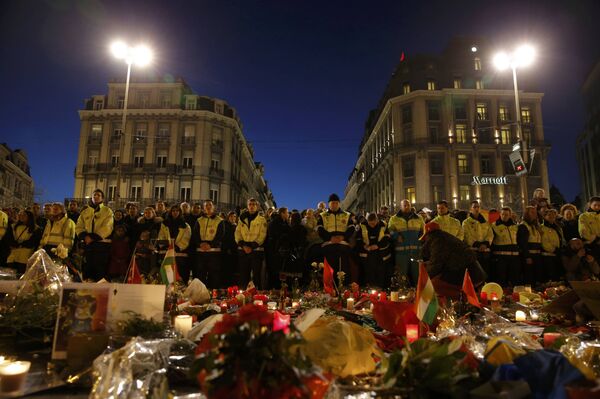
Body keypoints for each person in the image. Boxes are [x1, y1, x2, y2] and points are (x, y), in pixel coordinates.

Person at [420, 221, 486, 299]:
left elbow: (436, 264)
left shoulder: (437, 241)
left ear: (428, 235)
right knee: (439, 280)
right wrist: (429, 264)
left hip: (467, 274)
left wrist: (424, 278)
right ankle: (465, 298)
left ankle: (468, 298)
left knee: (434, 284)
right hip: (476, 273)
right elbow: (444, 259)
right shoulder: (446, 237)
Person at [75, 189, 114, 281]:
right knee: (87, 272)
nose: (96, 197)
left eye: (98, 195)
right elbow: (79, 226)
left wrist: (92, 237)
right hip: (87, 246)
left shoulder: (107, 211)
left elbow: (107, 227)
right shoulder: (85, 211)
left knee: (100, 272)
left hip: (101, 247)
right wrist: (84, 236)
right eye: (94, 195)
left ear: (102, 198)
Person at [317, 193, 356, 282]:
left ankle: (344, 286)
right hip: (329, 244)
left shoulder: (347, 215)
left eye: (336, 203)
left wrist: (343, 237)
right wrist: (330, 238)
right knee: (330, 266)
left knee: (344, 266)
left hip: (343, 244)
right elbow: (319, 229)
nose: (334, 205)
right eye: (332, 203)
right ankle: (330, 286)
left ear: (339, 203)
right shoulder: (322, 215)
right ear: (329, 204)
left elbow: (351, 228)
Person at [387, 199, 424, 286]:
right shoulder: (394, 219)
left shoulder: (419, 218)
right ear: (401, 207)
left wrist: (421, 239)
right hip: (401, 253)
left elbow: (423, 231)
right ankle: (402, 295)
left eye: (408, 205)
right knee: (401, 276)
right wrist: (396, 236)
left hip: (416, 252)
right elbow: (389, 232)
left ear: (411, 206)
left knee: (417, 276)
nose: (407, 207)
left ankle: (418, 295)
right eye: (404, 205)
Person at [235, 198, 268, 288]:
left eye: (254, 204)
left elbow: (262, 235)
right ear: (247, 206)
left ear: (257, 207)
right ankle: (242, 297)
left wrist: (251, 247)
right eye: (250, 204)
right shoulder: (241, 219)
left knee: (256, 276)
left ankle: (257, 297)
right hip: (243, 251)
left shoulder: (262, 220)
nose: (252, 206)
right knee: (243, 276)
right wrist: (243, 245)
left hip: (256, 251)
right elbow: (237, 233)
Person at [192, 200, 224, 287]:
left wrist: (211, 245)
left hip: (214, 251)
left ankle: (213, 294)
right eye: (206, 205)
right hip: (201, 251)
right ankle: (201, 294)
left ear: (213, 207)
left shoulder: (219, 220)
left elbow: (220, 235)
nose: (208, 207)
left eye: (210, 205)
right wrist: (200, 244)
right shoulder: (199, 220)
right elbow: (195, 234)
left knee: (214, 274)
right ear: (203, 208)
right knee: (200, 274)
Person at [357, 213, 391, 288]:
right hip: (367, 255)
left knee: (380, 273)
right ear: (367, 221)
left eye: (374, 223)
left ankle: (381, 290)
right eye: (370, 223)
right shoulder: (362, 226)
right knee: (368, 274)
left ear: (377, 220)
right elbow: (358, 239)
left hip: (381, 254)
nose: (372, 225)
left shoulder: (383, 225)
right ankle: (369, 290)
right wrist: (364, 246)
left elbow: (387, 238)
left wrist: (377, 246)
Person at [158, 205, 192, 282]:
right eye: (173, 211)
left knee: (180, 274)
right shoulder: (164, 224)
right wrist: (166, 246)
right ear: (171, 212)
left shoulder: (185, 225)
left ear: (180, 212)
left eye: (177, 211)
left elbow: (186, 239)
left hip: (180, 254)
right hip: (166, 252)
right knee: (168, 275)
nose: (175, 212)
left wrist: (177, 247)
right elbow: (161, 236)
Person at [462, 201, 493, 280]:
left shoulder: (486, 222)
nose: (476, 209)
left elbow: (490, 234)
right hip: (474, 251)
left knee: (486, 272)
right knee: (475, 273)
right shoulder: (466, 222)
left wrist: (486, 244)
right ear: (470, 209)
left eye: (478, 207)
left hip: (485, 251)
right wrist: (478, 245)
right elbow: (467, 235)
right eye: (474, 207)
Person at [491, 207, 521, 286]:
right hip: (501, 258)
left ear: (510, 215)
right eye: (503, 214)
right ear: (500, 215)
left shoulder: (515, 226)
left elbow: (518, 239)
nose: (504, 216)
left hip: (514, 257)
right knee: (501, 280)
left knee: (514, 279)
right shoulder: (494, 226)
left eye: (507, 215)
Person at [6, 210, 41, 275]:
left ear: (29, 217)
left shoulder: (36, 228)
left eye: (24, 215)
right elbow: (8, 238)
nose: (21, 216)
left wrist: (19, 245)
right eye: (19, 215)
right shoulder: (13, 226)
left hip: (25, 258)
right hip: (13, 257)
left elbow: (33, 242)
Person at [517, 206, 543, 286]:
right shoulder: (523, 226)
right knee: (529, 276)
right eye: (532, 212)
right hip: (529, 255)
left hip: (537, 254)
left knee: (537, 275)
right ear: (526, 214)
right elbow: (522, 242)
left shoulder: (536, 226)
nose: (534, 214)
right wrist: (527, 256)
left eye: (535, 212)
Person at [266, 207, 292, 288]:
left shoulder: (284, 222)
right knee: (275, 272)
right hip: (275, 251)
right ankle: (274, 288)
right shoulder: (276, 223)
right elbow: (275, 236)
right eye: (287, 213)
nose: (288, 214)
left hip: (279, 251)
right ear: (282, 213)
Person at [541, 208, 564, 281]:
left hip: (558, 254)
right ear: (545, 216)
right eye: (549, 215)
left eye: (554, 215)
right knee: (551, 275)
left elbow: (562, 239)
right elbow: (544, 242)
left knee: (558, 275)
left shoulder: (558, 227)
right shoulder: (542, 228)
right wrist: (554, 250)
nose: (551, 217)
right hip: (548, 256)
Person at [578, 196, 600, 260]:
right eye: (595, 205)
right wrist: (596, 239)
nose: (597, 207)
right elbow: (583, 231)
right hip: (592, 245)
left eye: (599, 205)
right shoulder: (583, 216)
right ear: (590, 205)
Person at [222, 211, 238, 287]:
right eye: (231, 216)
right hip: (226, 250)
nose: (233, 218)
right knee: (226, 269)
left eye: (234, 216)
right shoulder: (225, 225)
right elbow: (224, 238)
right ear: (228, 217)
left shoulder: (237, 226)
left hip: (235, 251)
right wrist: (227, 248)